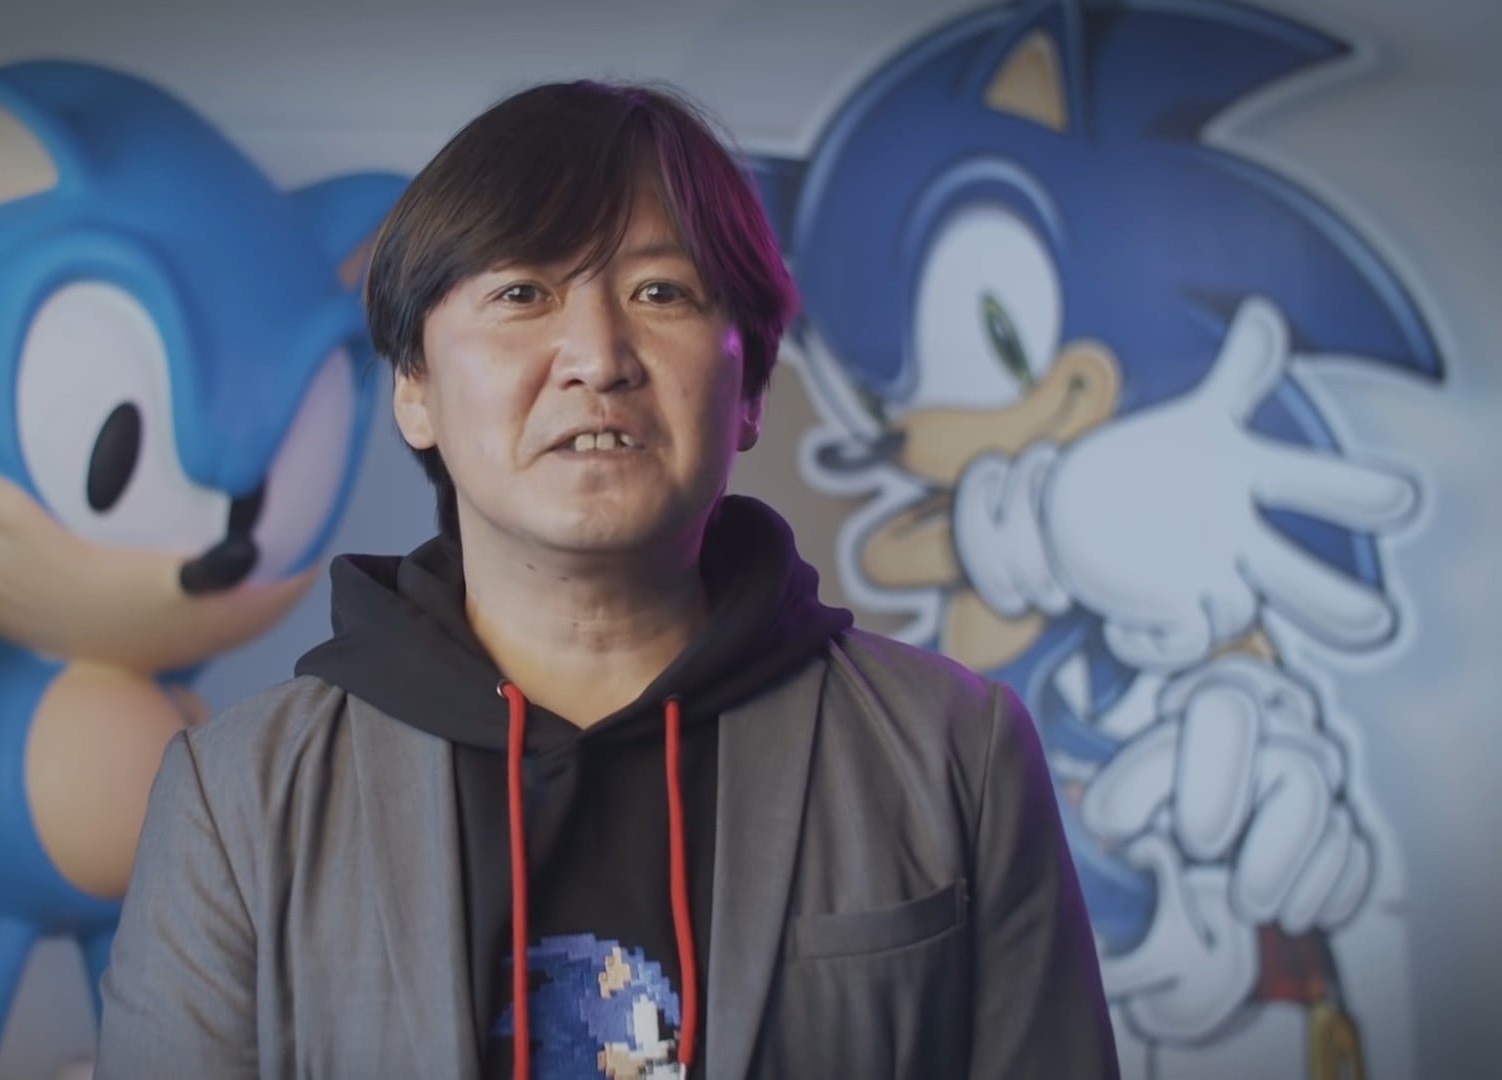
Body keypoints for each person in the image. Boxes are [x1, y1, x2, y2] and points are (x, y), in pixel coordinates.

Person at [95, 79, 1118, 1079]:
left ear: (751, 386)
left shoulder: (953, 751)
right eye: (522, 293)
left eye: (660, 292)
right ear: (414, 390)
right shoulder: (237, 796)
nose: (597, 355)